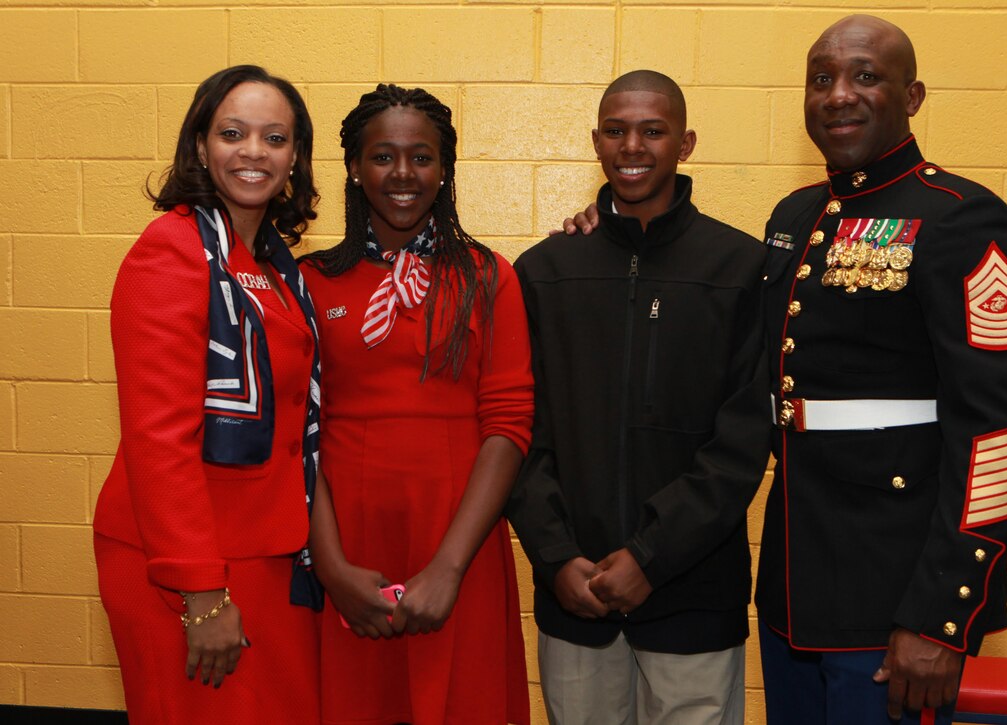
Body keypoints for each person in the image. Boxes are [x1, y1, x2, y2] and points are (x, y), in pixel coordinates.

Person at [561, 17, 1007, 724]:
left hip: (897, 592)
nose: (838, 95)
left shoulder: (964, 221)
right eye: (821, 80)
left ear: (911, 96)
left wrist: (945, 614)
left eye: (864, 76)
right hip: (797, 585)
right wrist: (604, 235)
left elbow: (1001, 434)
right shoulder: (797, 216)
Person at [509, 70, 769, 725]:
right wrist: (556, 556)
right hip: (577, 595)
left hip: (693, 594)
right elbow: (519, 431)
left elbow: (740, 443)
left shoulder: (740, 269)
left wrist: (651, 556)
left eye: (653, 131)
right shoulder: (545, 271)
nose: (633, 146)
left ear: (684, 143)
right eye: (617, 130)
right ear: (595, 141)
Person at [93, 65, 323, 724]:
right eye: (233, 133)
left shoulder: (276, 268)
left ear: (294, 157)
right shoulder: (170, 251)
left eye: (274, 138)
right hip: (188, 566)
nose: (254, 151)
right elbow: (158, 436)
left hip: (267, 554)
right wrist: (202, 593)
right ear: (200, 146)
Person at [300, 84, 532, 725]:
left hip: (459, 538)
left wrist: (448, 567)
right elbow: (299, 431)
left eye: (422, 157)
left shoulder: (489, 276)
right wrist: (330, 566)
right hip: (348, 537)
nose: (403, 174)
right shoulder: (309, 280)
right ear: (353, 166)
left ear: (445, 168)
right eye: (383, 156)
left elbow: (509, 424)